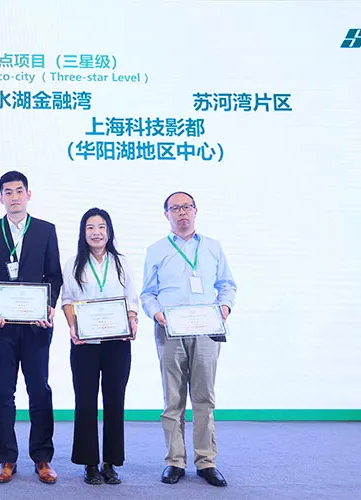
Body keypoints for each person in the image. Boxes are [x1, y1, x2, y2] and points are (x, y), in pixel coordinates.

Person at [140, 192, 237, 488]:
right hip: (170, 330)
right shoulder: (156, 250)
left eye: (186, 207)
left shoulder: (212, 247)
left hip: (207, 331)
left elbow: (227, 285)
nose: (181, 213)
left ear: (196, 211)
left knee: (204, 397)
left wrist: (224, 308)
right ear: (166, 214)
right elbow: (148, 293)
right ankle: (175, 461)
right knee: (173, 399)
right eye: (175, 208)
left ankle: (206, 461)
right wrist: (157, 314)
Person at [0, 170, 63, 485]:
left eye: (19, 191)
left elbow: (54, 274)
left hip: (37, 326)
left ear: (29, 194)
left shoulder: (45, 230)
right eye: (8, 192)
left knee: (39, 390)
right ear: (0, 198)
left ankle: (42, 458)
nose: (14, 197)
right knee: (3, 391)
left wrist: (48, 306)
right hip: (1, 326)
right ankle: (7, 459)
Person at [60, 208, 139, 485]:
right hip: (85, 344)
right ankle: (90, 463)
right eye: (90, 227)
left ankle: (110, 462)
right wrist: (73, 326)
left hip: (117, 343)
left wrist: (132, 320)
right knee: (85, 402)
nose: (96, 232)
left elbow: (131, 299)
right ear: (83, 233)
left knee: (115, 401)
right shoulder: (73, 263)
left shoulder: (121, 262)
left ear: (109, 231)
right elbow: (67, 300)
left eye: (101, 227)